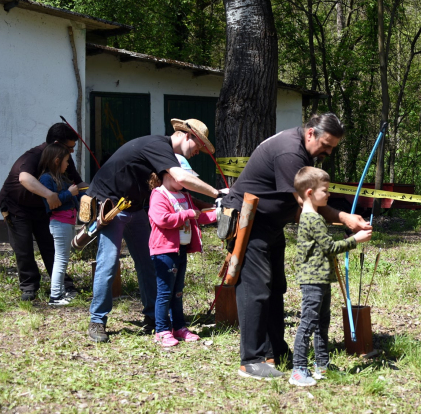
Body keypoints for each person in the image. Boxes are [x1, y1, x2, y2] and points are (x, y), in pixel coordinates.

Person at [226, 113, 371, 380]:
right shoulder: (289, 153)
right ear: (310, 133)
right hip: (250, 223)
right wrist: (345, 217)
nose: (327, 152)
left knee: (275, 288)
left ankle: (275, 352)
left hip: (270, 224)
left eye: (332, 147)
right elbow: (308, 205)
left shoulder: (303, 151)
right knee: (256, 289)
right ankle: (251, 360)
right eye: (325, 145)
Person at [85, 118, 228, 343]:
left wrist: (214, 203)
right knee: (109, 261)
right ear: (188, 136)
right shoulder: (160, 146)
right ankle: (98, 320)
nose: (197, 152)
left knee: (149, 261)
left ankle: (154, 318)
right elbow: (181, 178)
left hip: (134, 206)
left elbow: (185, 195)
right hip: (110, 204)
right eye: (198, 147)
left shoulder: (166, 153)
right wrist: (217, 194)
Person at [289, 167, 372, 386]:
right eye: (325, 190)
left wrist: (351, 235)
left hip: (321, 278)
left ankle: (322, 366)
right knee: (308, 323)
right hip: (313, 280)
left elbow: (323, 244)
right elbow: (329, 247)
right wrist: (356, 240)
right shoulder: (313, 219)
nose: (329, 195)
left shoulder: (313, 216)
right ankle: (298, 369)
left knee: (322, 322)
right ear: (309, 192)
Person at [0, 123, 84, 301]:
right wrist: (49, 195)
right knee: (24, 248)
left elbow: (79, 184)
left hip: (42, 209)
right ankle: (29, 287)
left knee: (50, 246)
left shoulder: (65, 159)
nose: (72, 153)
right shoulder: (34, 156)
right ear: (58, 143)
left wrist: (96, 194)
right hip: (16, 207)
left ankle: (62, 285)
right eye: (70, 148)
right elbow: (24, 177)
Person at [148, 155, 217, 347]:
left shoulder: (184, 195)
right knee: (165, 292)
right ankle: (162, 330)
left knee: (177, 291)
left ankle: (179, 327)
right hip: (163, 252)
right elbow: (163, 219)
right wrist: (187, 214)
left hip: (180, 250)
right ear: (170, 174)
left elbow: (198, 217)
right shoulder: (158, 195)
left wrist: (218, 214)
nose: (187, 183)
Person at [38, 143, 83, 306]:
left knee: (63, 259)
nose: (68, 164)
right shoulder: (46, 179)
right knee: (61, 259)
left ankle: (60, 292)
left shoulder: (62, 178)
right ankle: (55, 296)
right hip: (60, 223)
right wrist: (69, 193)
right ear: (57, 161)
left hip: (67, 222)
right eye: (66, 160)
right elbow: (52, 203)